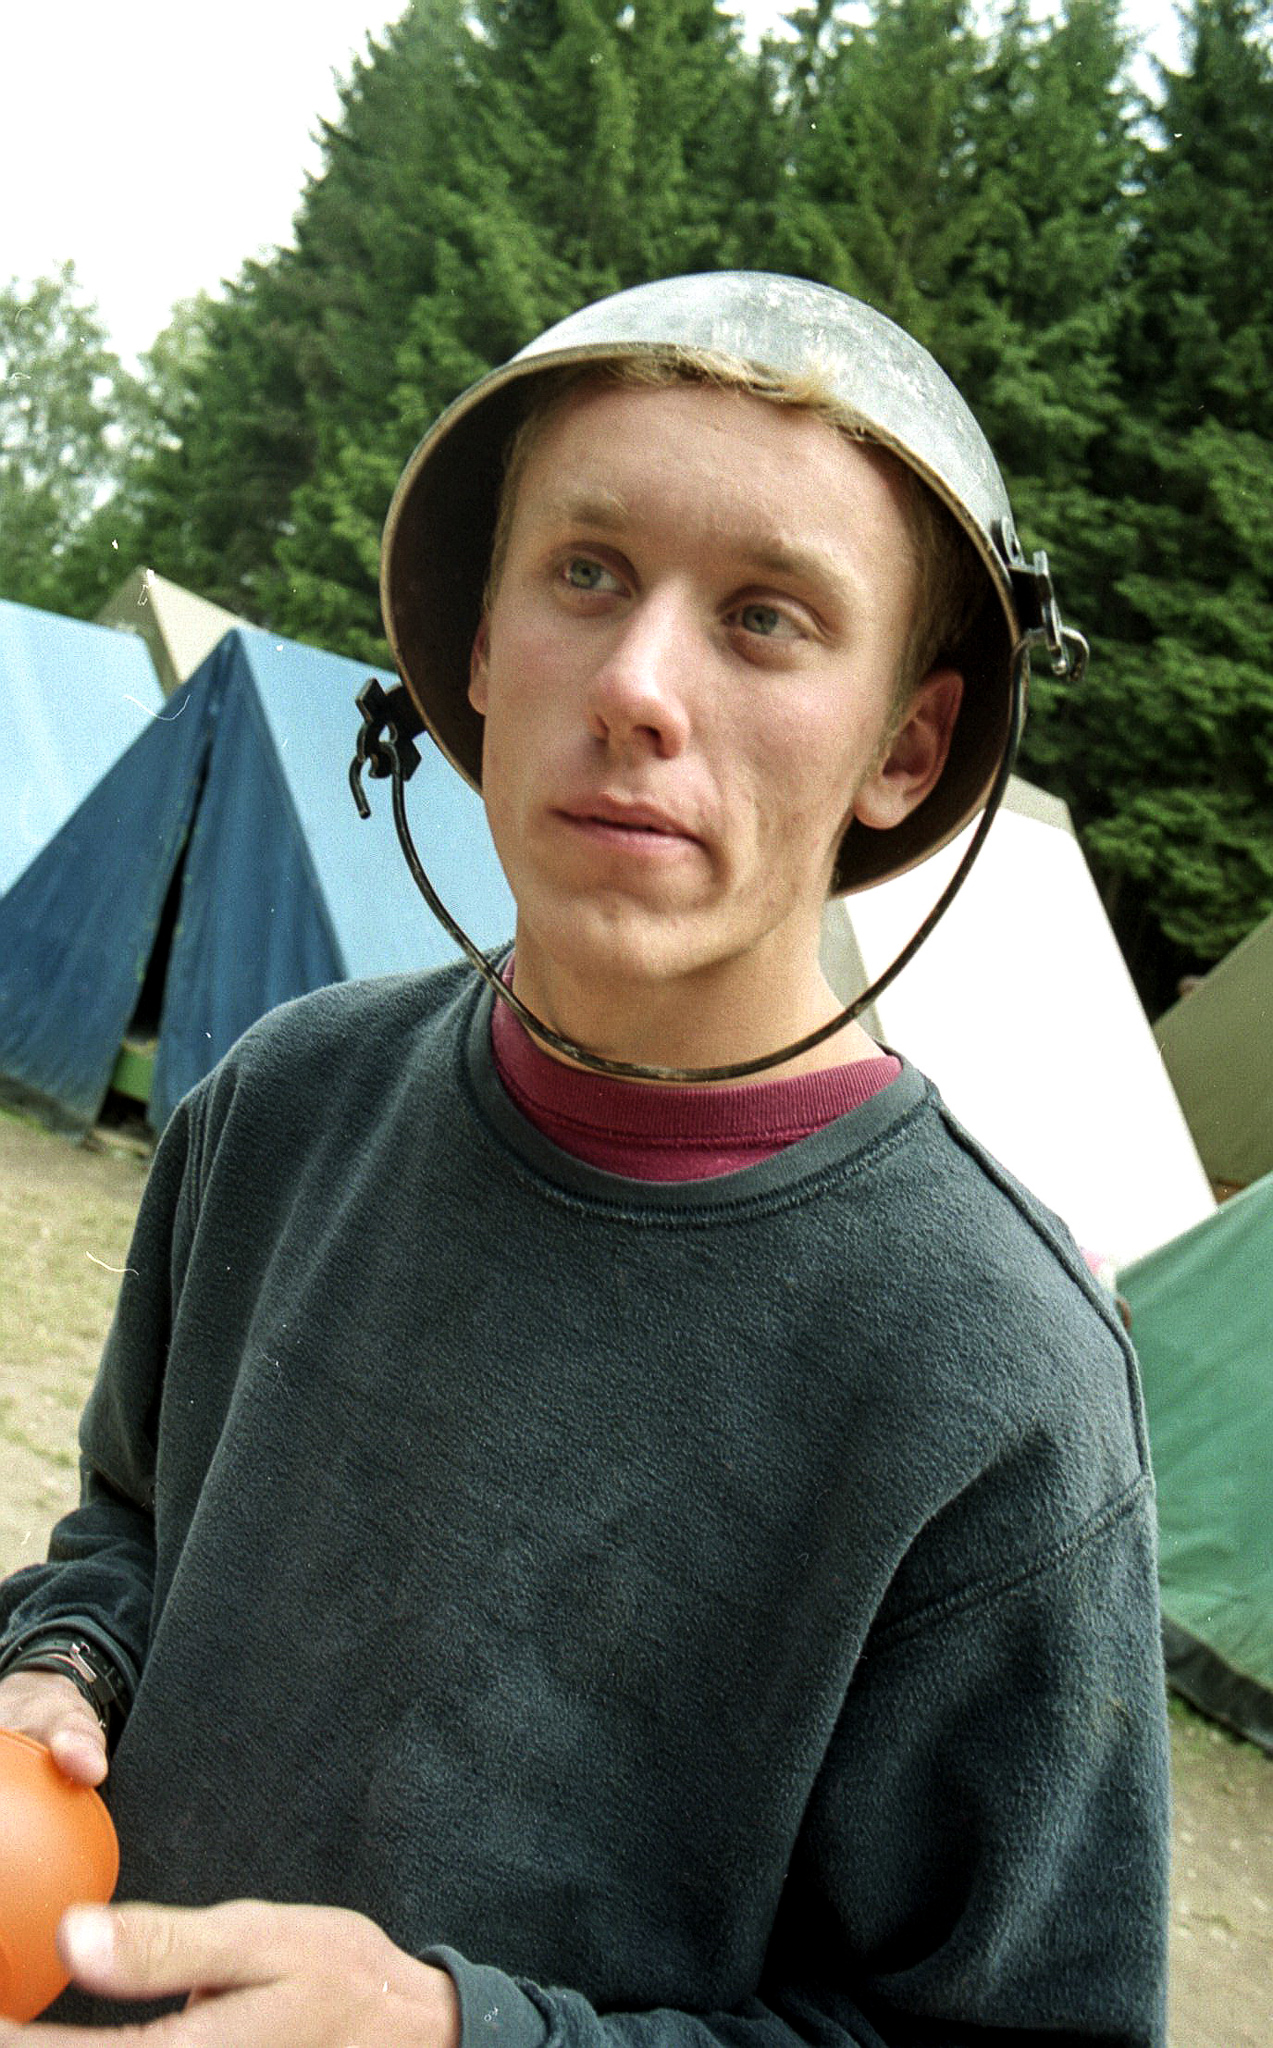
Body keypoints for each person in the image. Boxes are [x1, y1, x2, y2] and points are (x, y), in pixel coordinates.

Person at [0, 273, 1170, 2046]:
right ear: (479, 649)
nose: (634, 685)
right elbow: (136, 1529)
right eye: (586, 573)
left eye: (765, 617)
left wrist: (460, 2033)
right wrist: (65, 1659)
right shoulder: (281, 1104)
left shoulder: (997, 1383)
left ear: (906, 745)